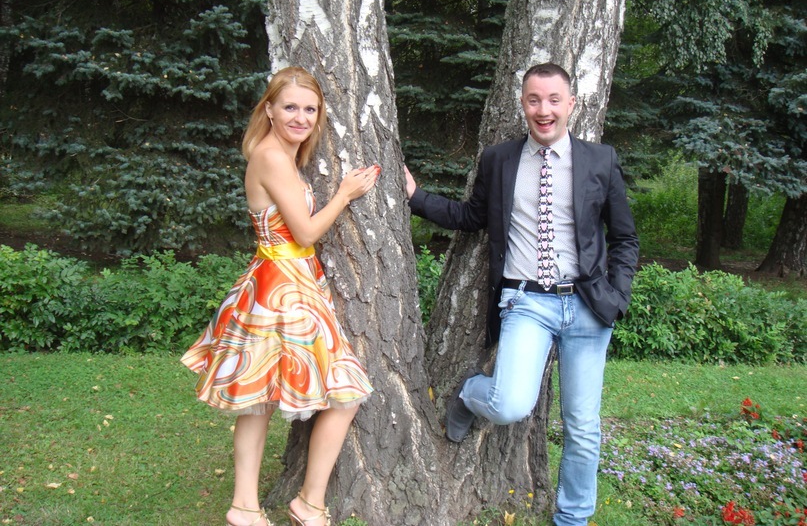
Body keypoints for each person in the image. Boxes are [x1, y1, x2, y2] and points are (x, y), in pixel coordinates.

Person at [404, 62, 639, 526]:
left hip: (589, 307)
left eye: (553, 100)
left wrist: (618, 295)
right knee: (509, 404)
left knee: (583, 427)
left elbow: (625, 237)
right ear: (522, 104)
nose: (543, 109)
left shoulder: (600, 160)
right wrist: (416, 196)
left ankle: (572, 519)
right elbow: (471, 217)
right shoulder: (500, 159)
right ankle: (469, 393)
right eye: (534, 100)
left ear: (571, 104)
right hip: (526, 302)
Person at [181, 66, 380, 526]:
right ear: (268, 109)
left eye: (310, 109)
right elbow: (305, 233)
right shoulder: (271, 156)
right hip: (283, 289)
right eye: (290, 107)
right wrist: (345, 193)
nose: (301, 117)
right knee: (343, 391)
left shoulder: (280, 156)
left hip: (281, 283)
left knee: (261, 400)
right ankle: (299, 504)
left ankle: (250, 507)